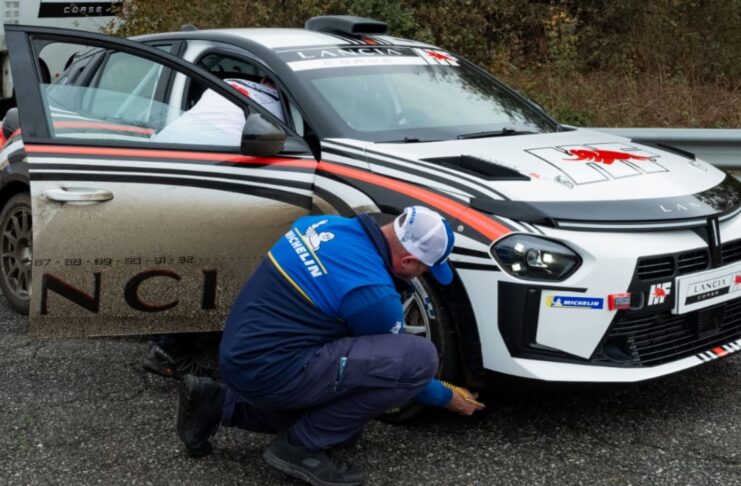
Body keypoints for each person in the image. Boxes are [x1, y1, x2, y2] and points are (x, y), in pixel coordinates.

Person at [176, 206, 484, 486]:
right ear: (408, 260)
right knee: (418, 358)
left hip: (240, 353)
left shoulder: (321, 224)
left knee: (344, 426)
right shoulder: (374, 295)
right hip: (270, 372)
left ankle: (215, 402)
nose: (424, 274)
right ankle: (300, 447)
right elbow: (399, 368)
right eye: (425, 269)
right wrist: (445, 397)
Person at [142, 76, 285, 380]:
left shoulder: (228, 82)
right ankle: (169, 353)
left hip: (156, 163)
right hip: (201, 172)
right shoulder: (279, 105)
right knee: (207, 264)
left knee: (185, 261)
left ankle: (165, 342)